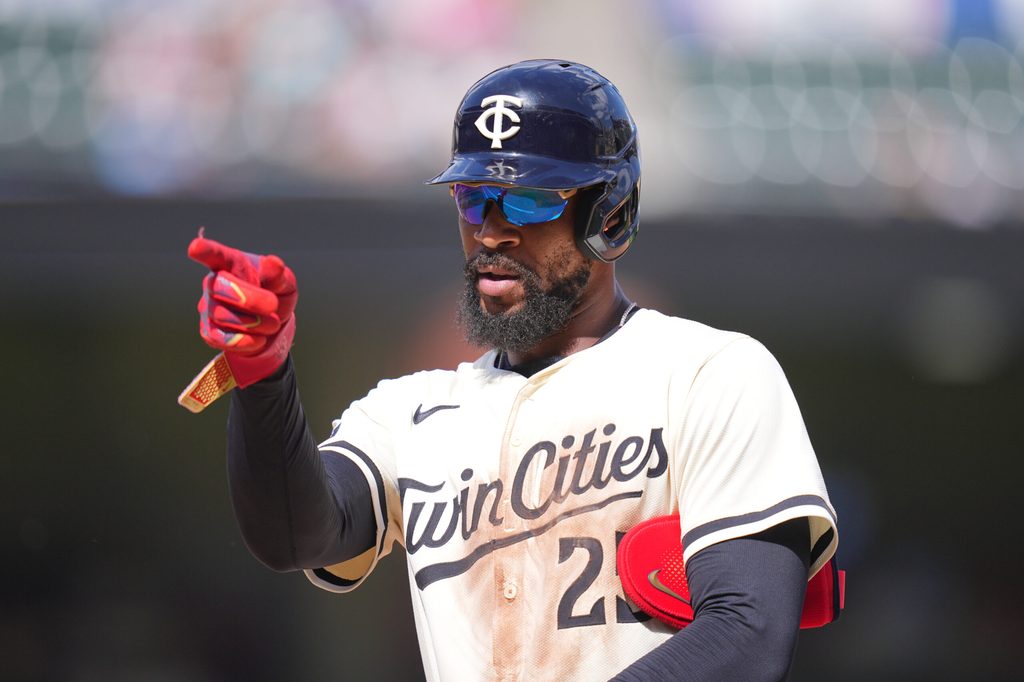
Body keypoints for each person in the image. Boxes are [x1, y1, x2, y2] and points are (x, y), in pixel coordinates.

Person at [188, 59, 838, 681]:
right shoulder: (409, 414)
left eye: (529, 201)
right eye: (475, 199)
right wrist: (263, 374)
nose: (492, 232)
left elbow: (748, 633)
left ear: (609, 213)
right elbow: (295, 537)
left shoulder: (710, 374)